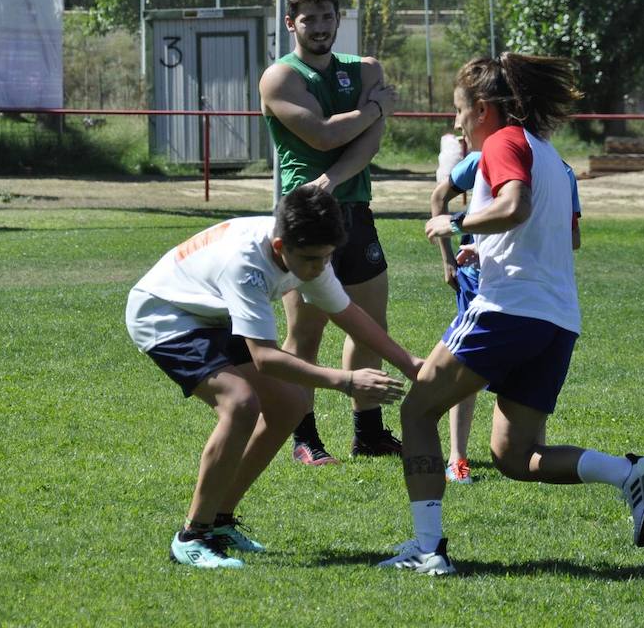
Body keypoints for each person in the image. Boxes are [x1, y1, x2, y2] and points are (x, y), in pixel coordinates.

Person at [381, 54, 644, 577]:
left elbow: (515, 207)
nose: (457, 123)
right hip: (556, 321)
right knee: (514, 457)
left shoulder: (502, 142)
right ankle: (631, 475)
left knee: (416, 411)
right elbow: (554, 234)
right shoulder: (552, 157)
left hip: (508, 310)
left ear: (484, 108)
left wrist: (457, 221)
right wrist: (484, 249)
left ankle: (427, 549)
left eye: (460, 111)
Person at [125, 185, 422, 569]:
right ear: (281, 246)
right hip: (164, 315)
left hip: (210, 312)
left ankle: (220, 519)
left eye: (327, 258)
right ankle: (192, 536)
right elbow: (264, 358)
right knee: (240, 403)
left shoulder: (308, 250)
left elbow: (347, 313)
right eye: (312, 260)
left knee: (290, 405)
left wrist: (408, 362)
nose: (319, 268)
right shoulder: (247, 262)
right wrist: (347, 380)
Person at [259, 0, 401, 465]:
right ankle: (304, 438)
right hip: (305, 213)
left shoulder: (364, 70)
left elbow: (369, 142)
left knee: (370, 325)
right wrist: (375, 107)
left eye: (326, 16)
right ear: (290, 24)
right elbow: (320, 135)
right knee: (307, 333)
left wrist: (335, 178)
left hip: (354, 207)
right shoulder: (280, 77)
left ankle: (369, 434)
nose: (318, 27)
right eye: (308, 19)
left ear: (338, 18)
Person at [431, 149, 582, 486]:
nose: (458, 122)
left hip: (527, 292)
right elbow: (440, 196)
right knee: (464, 370)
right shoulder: (484, 157)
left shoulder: (562, 171)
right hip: (480, 283)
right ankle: (458, 458)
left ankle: (539, 456)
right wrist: (447, 259)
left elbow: (572, 237)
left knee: (530, 370)